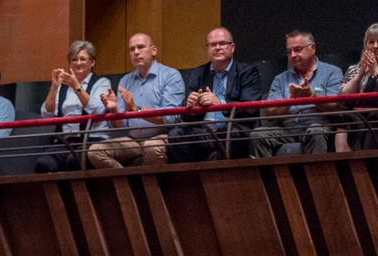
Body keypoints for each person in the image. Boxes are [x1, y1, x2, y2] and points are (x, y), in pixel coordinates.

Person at [87, 34, 185, 168]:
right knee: (95, 151)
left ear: (154, 50)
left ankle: (155, 189)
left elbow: (170, 118)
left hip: (162, 136)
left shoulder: (171, 76)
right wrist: (114, 109)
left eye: (141, 47)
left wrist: (136, 108)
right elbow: (120, 126)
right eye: (132, 49)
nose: (136, 52)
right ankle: (126, 186)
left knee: (152, 147)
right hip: (134, 140)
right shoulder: (125, 80)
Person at [168, 28, 264, 162]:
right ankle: (194, 178)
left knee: (233, 136)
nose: (217, 48)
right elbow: (187, 118)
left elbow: (250, 109)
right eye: (213, 45)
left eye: (222, 43)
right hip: (205, 131)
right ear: (208, 49)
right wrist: (190, 106)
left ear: (232, 47)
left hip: (234, 129)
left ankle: (216, 163)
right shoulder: (199, 73)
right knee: (176, 136)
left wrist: (220, 104)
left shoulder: (247, 72)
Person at [250, 30, 344, 158]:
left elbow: (335, 107)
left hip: (320, 128)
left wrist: (310, 96)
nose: (293, 55)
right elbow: (270, 113)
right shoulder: (280, 79)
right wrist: (291, 100)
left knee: (314, 131)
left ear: (313, 48)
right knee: (258, 135)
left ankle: (317, 177)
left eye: (298, 50)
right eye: (289, 52)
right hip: (288, 130)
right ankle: (268, 177)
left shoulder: (332, 73)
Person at [36, 41, 112, 173]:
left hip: (93, 139)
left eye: (83, 59)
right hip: (65, 141)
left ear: (92, 62)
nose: (78, 63)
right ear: (69, 63)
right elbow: (47, 114)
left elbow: (98, 110)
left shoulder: (102, 82)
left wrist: (77, 87)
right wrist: (54, 87)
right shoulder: (62, 86)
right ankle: (56, 194)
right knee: (43, 164)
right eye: (74, 59)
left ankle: (78, 194)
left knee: (73, 161)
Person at [337, 24, 378, 153]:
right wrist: (360, 74)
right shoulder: (354, 69)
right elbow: (342, 100)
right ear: (365, 44)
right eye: (371, 42)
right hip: (357, 120)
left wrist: (375, 72)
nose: (375, 46)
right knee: (342, 119)